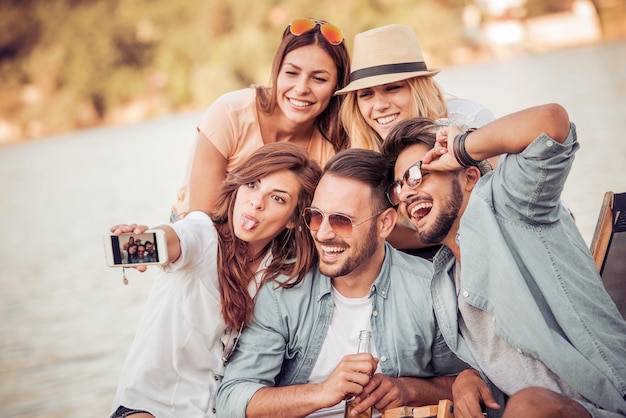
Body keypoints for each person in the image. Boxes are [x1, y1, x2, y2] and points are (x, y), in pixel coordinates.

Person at [381, 105, 626, 417]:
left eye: (418, 174)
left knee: (530, 405)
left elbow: (552, 122)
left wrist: (462, 148)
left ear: (469, 177)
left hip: (608, 405)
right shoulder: (444, 282)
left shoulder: (511, 205)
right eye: (399, 186)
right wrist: (469, 378)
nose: (405, 193)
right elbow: (512, 364)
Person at [216, 149, 469, 418]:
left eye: (341, 221)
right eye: (315, 217)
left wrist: (409, 390)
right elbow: (232, 400)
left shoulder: (430, 288)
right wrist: (322, 392)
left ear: (385, 224)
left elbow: (468, 382)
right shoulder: (282, 290)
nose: (323, 234)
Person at [109, 143, 322, 418]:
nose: (256, 202)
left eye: (277, 198)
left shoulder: (279, 271)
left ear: (293, 219)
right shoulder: (203, 233)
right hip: (148, 407)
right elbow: (175, 238)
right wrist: (145, 241)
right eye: (253, 185)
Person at [336, 24, 495, 254]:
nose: (379, 106)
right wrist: (436, 233)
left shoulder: (466, 119)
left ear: (417, 88)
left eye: (392, 88)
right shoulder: (365, 150)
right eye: (366, 94)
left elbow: (500, 197)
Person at [171, 17, 350, 221]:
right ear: (277, 72)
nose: (301, 89)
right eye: (291, 73)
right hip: (201, 232)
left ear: (337, 85)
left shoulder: (336, 140)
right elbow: (202, 221)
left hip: (275, 241)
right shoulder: (230, 114)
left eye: (319, 79)